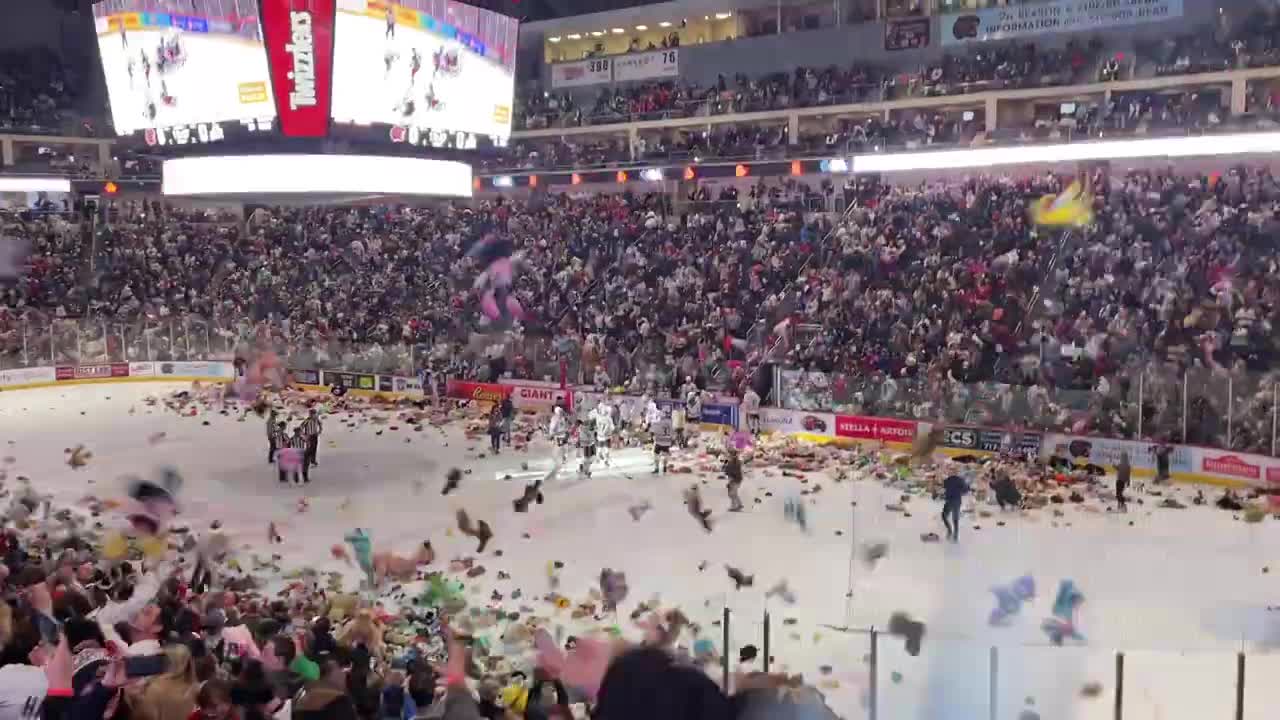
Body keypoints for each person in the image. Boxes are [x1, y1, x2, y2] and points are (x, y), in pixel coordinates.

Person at [941, 473, 969, 542]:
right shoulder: (961, 480)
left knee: (944, 516)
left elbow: (944, 488)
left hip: (949, 501)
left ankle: (950, 530)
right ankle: (955, 535)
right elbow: (965, 490)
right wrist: (960, 492)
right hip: (957, 501)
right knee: (955, 519)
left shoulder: (947, 480)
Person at [652, 410, 674, 475]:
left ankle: (657, 468)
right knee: (665, 454)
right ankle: (664, 467)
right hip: (667, 441)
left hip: (659, 441)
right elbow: (672, 432)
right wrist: (671, 439)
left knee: (656, 454)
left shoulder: (657, 422)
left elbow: (654, 432)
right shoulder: (670, 422)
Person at [723, 448, 744, 512]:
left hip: (735, 479)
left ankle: (734, 506)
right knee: (732, 493)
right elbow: (726, 468)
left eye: (728, 454)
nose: (727, 455)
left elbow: (731, 470)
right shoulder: (731, 461)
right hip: (734, 478)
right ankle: (739, 504)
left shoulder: (734, 461)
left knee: (732, 493)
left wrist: (730, 479)